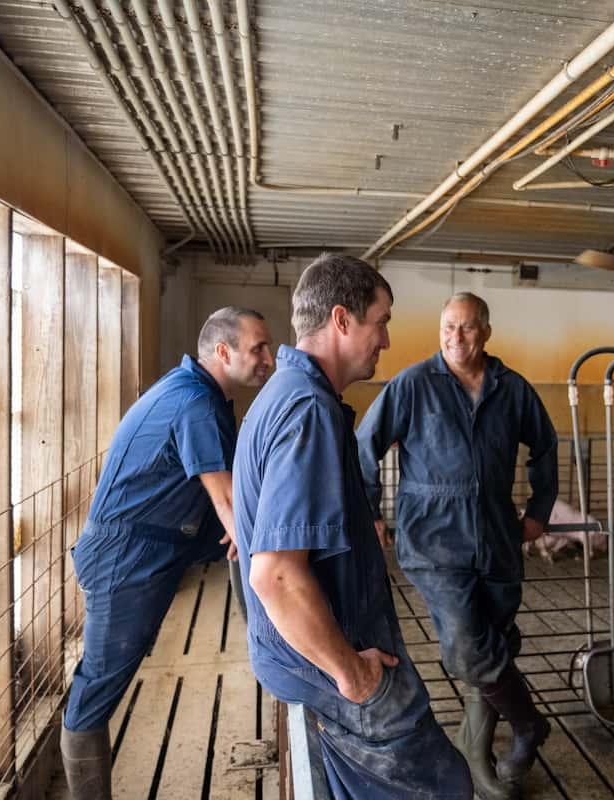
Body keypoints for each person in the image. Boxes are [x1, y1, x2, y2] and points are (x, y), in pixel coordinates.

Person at [235, 254, 472, 799]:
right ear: (342, 320)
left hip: (307, 655)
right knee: (447, 785)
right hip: (333, 662)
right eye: (381, 321)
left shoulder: (285, 396)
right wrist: (352, 674)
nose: (386, 339)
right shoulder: (307, 410)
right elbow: (273, 576)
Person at [60, 307, 274, 799]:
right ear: (223, 352)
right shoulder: (196, 404)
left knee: (240, 538)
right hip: (128, 555)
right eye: (257, 348)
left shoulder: (201, 392)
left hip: (166, 535)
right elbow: (224, 497)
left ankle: (263, 635)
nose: (267, 357)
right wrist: (264, 552)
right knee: (98, 687)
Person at [356, 291, 558, 799]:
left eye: (467, 328)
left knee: (493, 638)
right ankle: (529, 724)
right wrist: (370, 513)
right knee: (469, 646)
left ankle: (476, 752)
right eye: (448, 327)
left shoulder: (512, 389)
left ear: (485, 332)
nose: (456, 337)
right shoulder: (413, 384)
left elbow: (546, 445)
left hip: (497, 535)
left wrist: (538, 511)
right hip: (433, 537)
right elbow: (365, 445)